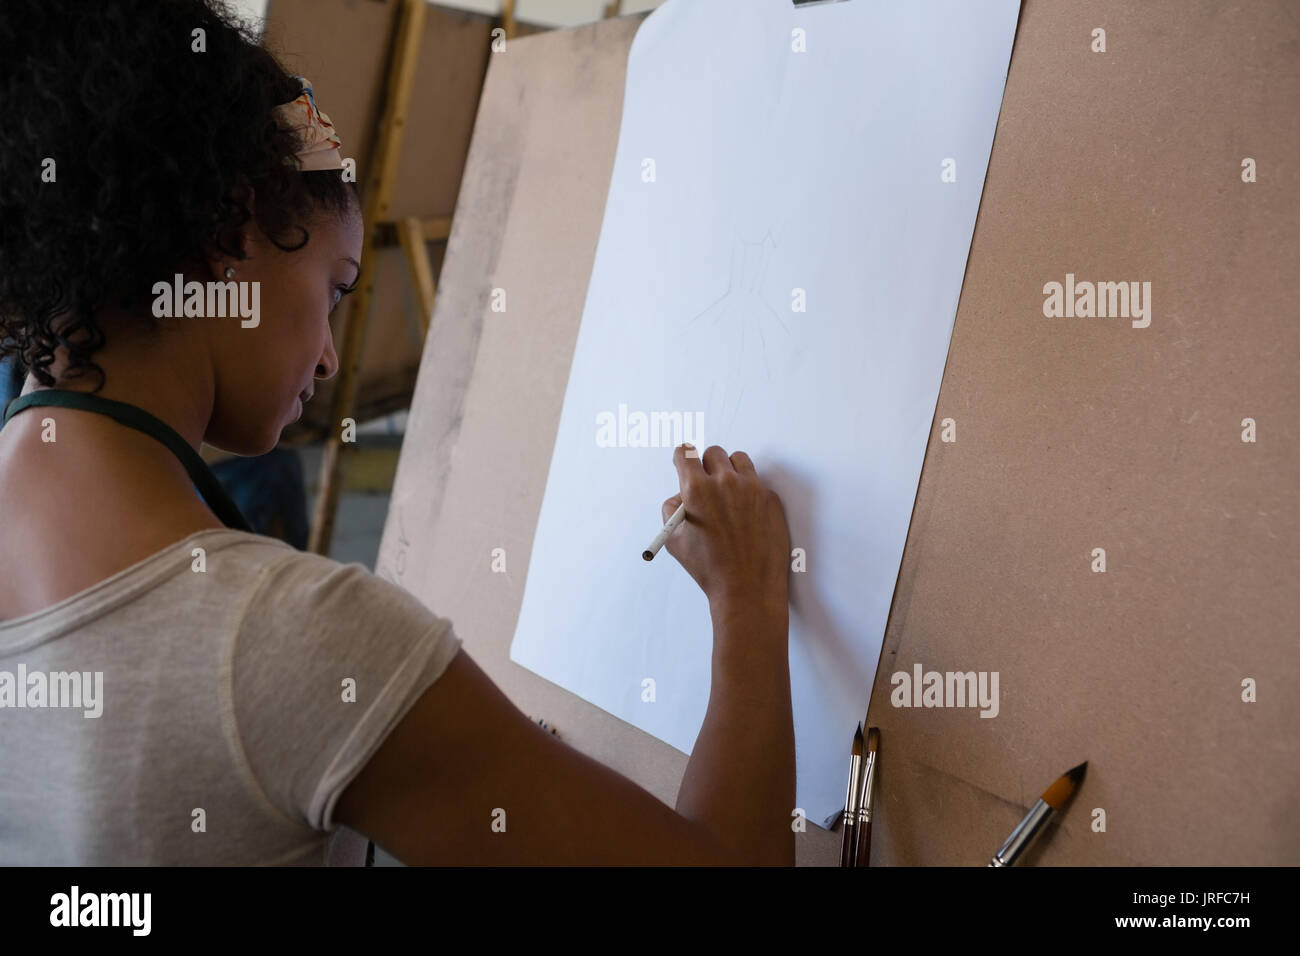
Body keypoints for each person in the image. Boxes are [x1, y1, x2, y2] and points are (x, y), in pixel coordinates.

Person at [0, 0, 794, 865]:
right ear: (228, 235)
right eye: (336, 288)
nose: (334, 357)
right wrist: (749, 602)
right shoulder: (291, 637)